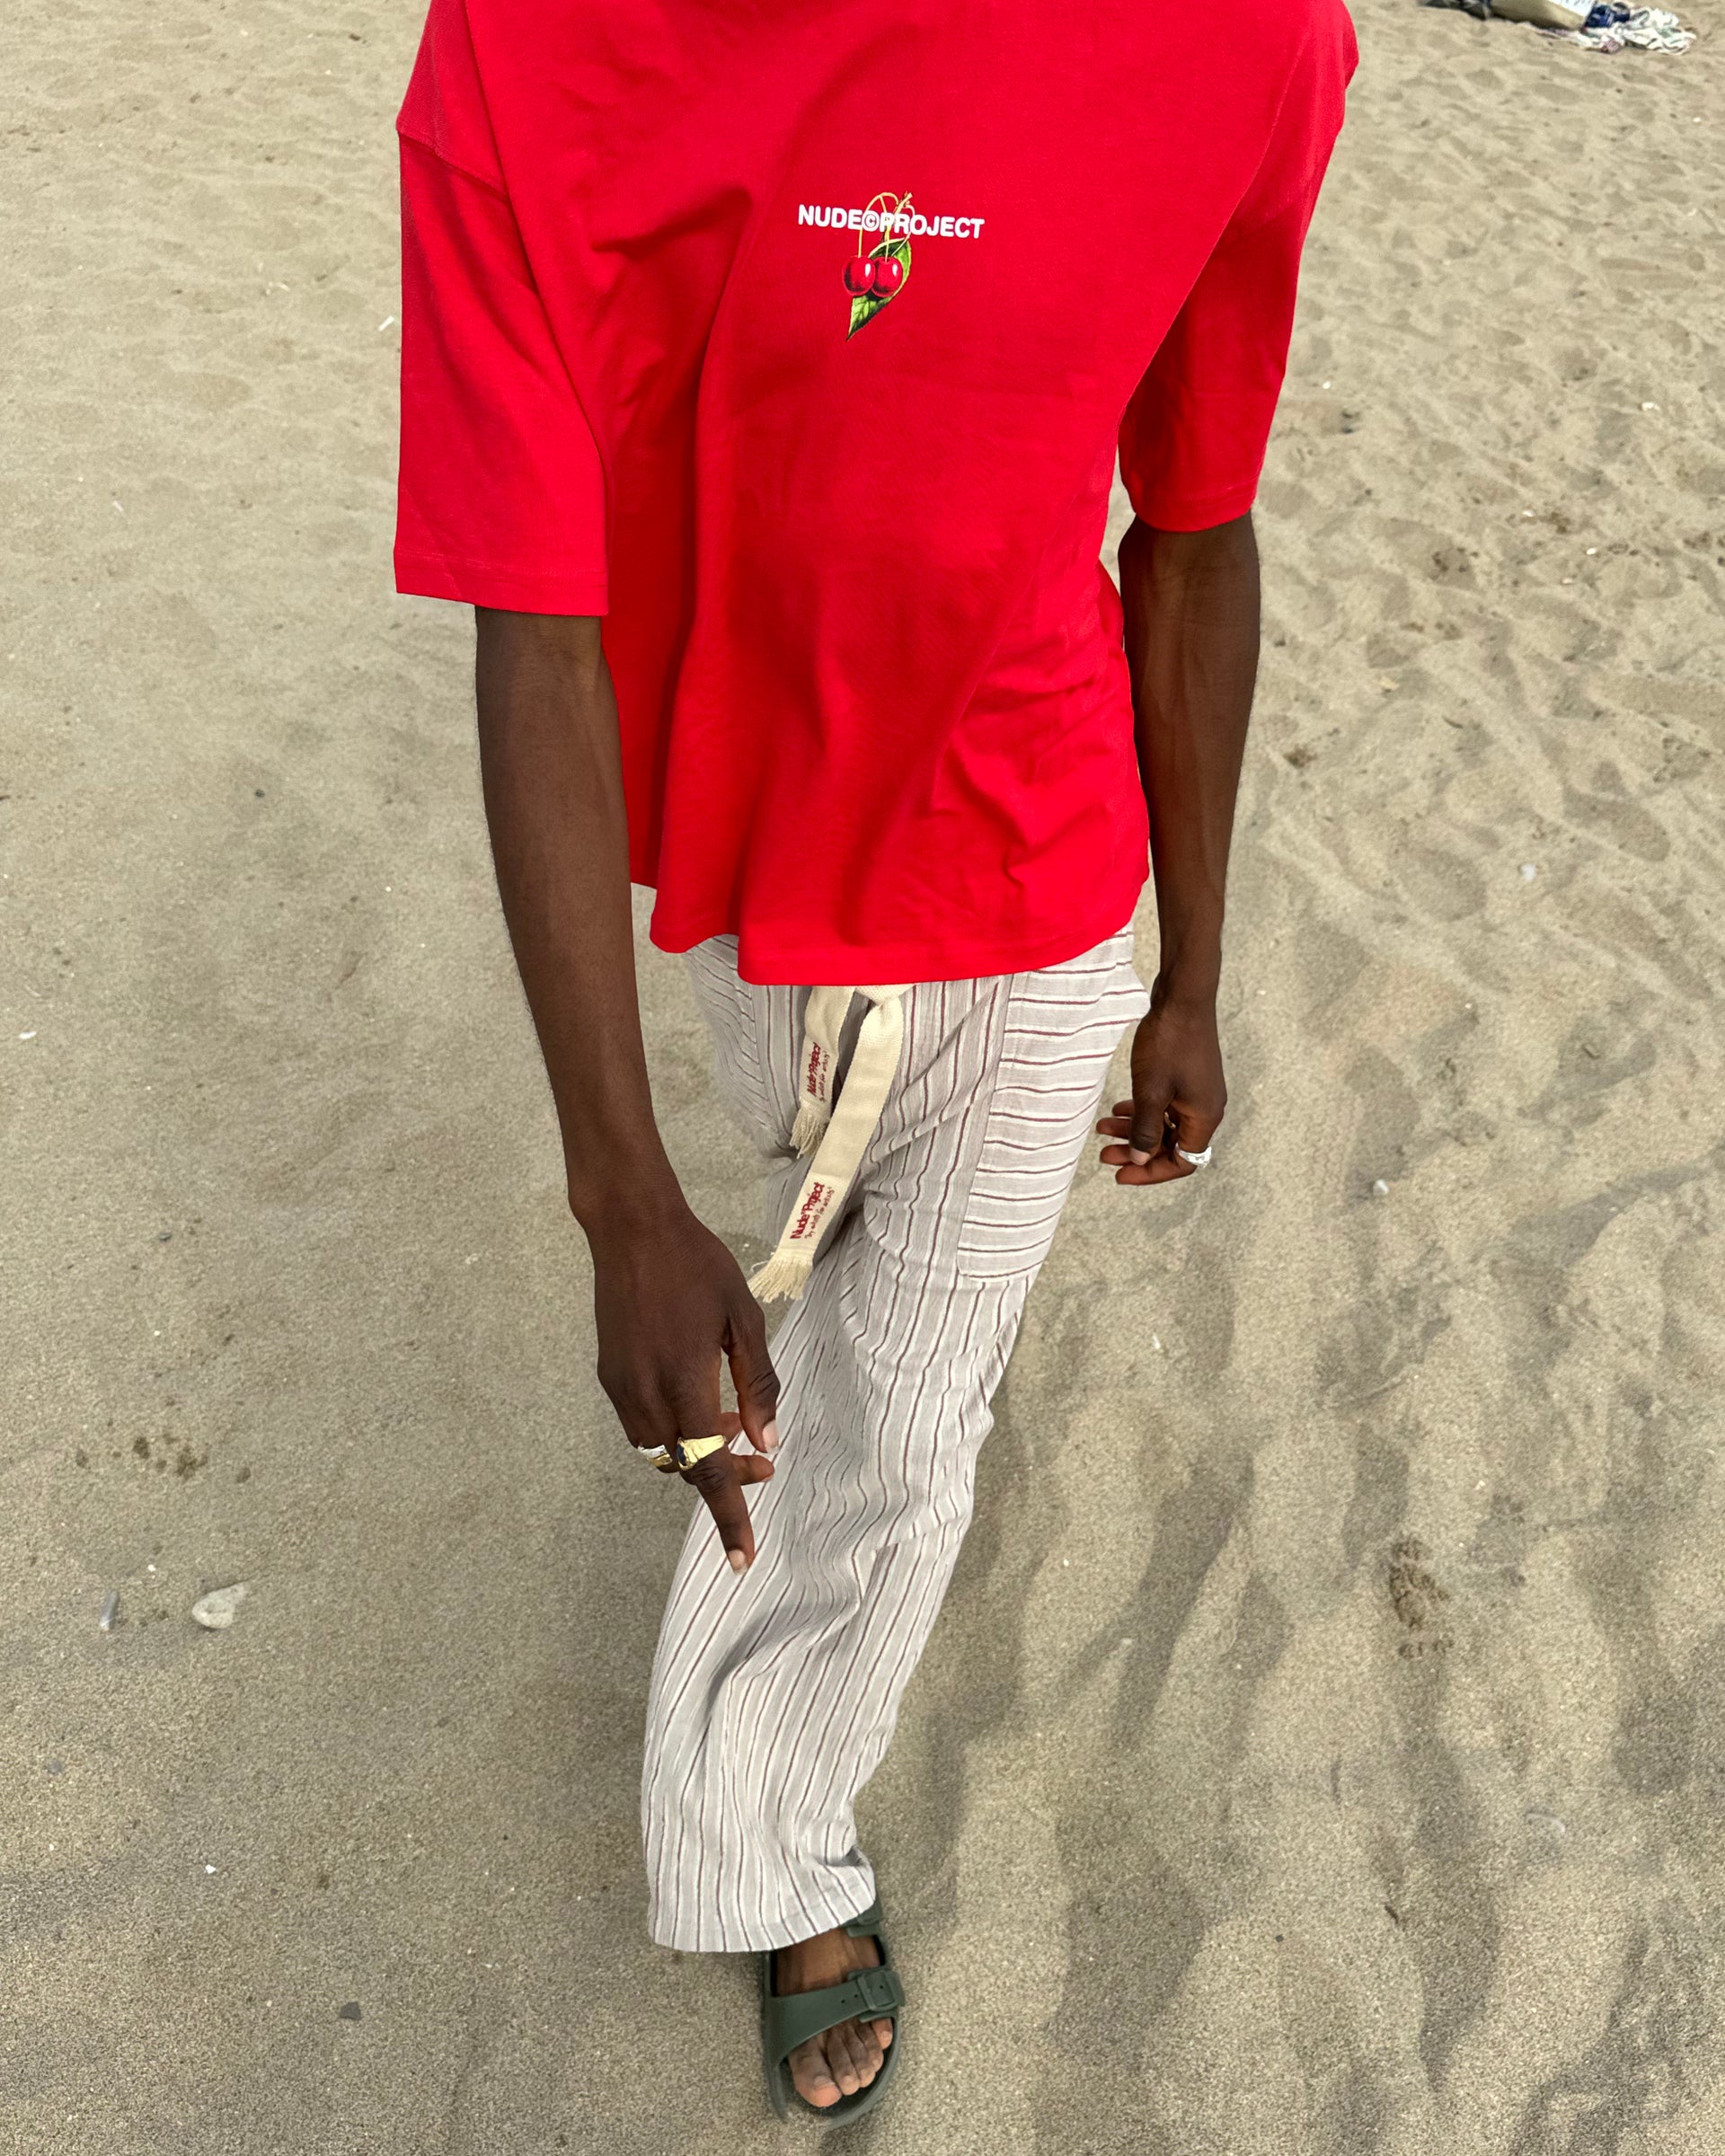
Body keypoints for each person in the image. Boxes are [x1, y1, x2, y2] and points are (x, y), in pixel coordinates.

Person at [394, 0, 1354, 2120]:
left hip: (1036, 866)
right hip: (739, 871)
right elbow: (532, 622)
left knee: (893, 1436)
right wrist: (619, 1198)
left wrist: (1192, 974)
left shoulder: (1255, 44)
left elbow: (1195, 526)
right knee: (807, 1273)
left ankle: (769, 1844)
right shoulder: (523, 58)